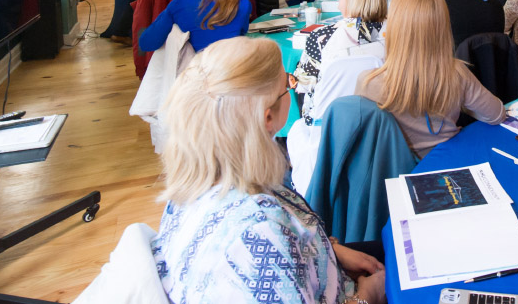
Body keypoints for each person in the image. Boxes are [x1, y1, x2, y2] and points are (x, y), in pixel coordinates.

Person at [151, 37, 386, 304]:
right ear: (268, 117)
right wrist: (368, 296)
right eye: (287, 84)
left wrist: (332, 251)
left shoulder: (193, 190)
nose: (290, 88)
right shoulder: (258, 235)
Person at [356, 0, 505, 157]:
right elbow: (497, 114)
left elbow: (364, 141)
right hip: (449, 160)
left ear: (393, 27)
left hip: (397, 167)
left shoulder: (367, 83)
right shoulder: (456, 73)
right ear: (443, 28)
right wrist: (461, 100)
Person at [297, 0, 387, 79]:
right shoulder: (395, 30)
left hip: (334, 90)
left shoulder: (322, 36)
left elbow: (305, 82)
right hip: (381, 88)